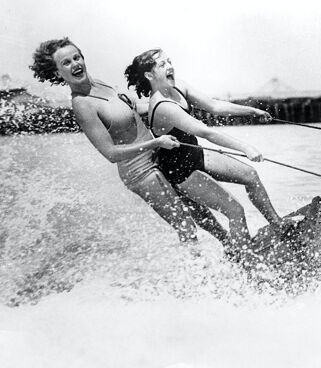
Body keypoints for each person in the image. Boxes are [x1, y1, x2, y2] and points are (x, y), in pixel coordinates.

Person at [29, 37, 229, 244]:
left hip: (159, 157)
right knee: (185, 226)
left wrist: (173, 108)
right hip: (140, 172)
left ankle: (231, 248)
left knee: (199, 210)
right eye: (66, 63)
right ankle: (198, 273)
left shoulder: (101, 84)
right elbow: (110, 154)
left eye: (76, 57)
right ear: (56, 72)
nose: (75, 64)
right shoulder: (82, 105)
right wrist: (155, 143)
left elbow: (133, 112)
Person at [125, 48, 292, 253]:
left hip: (196, 155)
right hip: (181, 173)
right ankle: (248, 263)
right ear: (149, 75)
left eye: (169, 61)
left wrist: (252, 111)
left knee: (251, 175)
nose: (170, 66)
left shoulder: (178, 87)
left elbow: (214, 106)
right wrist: (246, 147)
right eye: (162, 65)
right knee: (235, 211)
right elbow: (206, 132)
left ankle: (278, 225)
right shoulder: (162, 106)